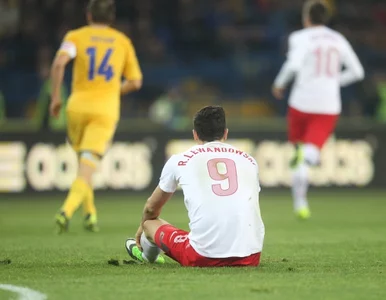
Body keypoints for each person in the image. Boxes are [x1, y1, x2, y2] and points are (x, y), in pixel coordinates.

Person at [125, 106, 265, 267]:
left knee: (149, 223)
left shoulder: (179, 160)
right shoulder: (250, 160)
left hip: (202, 256)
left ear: (195, 134)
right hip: (251, 257)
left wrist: (142, 227)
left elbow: (151, 208)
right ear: (226, 133)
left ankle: (146, 255)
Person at [50, 0, 142, 233]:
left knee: (84, 163)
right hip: (104, 110)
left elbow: (60, 63)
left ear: (89, 15)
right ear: (111, 18)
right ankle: (66, 211)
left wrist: (55, 98)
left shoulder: (76, 36)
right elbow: (135, 81)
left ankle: (90, 214)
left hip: (76, 107)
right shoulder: (122, 41)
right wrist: (113, 90)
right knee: (88, 166)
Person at [272, 0, 364, 219]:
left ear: (307, 17)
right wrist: (334, 81)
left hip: (300, 103)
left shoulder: (299, 37)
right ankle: (308, 160)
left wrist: (279, 83)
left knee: (298, 153)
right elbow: (357, 72)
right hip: (327, 105)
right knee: (308, 155)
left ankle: (300, 203)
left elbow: (293, 65)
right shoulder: (338, 39)